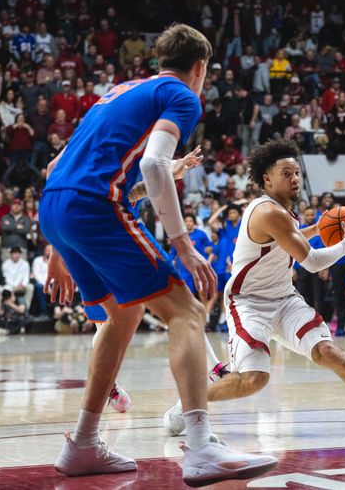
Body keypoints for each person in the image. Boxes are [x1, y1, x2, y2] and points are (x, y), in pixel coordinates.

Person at [38, 24, 277, 485]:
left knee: (119, 317)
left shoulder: (118, 91)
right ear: (200, 67)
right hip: (95, 206)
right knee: (186, 311)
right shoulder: (182, 96)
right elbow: (151, 163)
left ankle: (84, 444)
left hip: (56, 207)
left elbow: (55, 166)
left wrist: (56, 248)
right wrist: (182, 243)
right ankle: (202, 447)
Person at [162, 139, 345, 437]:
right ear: (266, 179)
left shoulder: (283, 213)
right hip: (248, 304)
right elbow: (310, 261)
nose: (294, 179)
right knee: (255, 379)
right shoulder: (268, 212)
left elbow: (291, 235)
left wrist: (321, 227)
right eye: (286, 173)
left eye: (296, 173)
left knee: (328, 351)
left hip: (284, 300)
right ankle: (189, 402)